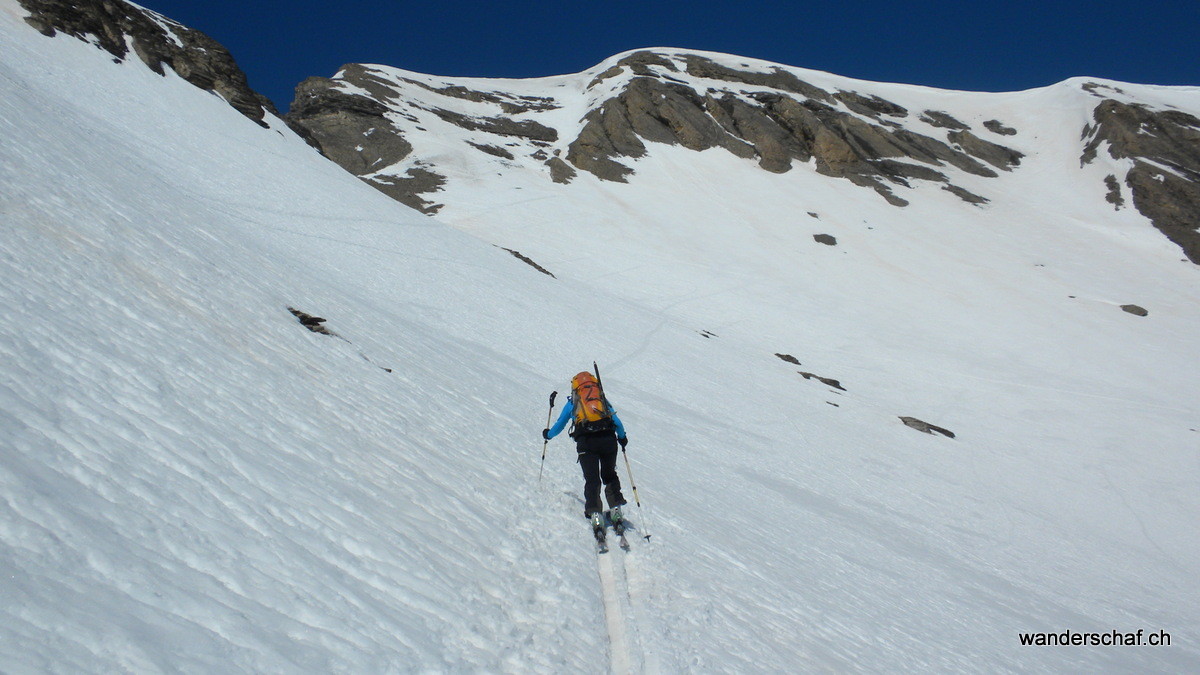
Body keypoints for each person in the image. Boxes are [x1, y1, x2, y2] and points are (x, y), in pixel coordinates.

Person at [543, 371, 628, 530]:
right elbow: (617, 422)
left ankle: (596, 514)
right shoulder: (601, 400)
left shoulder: (573, 403)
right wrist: (622, 438)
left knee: (592, 478)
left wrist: (548, 434)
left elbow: (560, 424)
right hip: (609, 441)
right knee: (609, 474)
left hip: (587, 443)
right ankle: (616, 509)